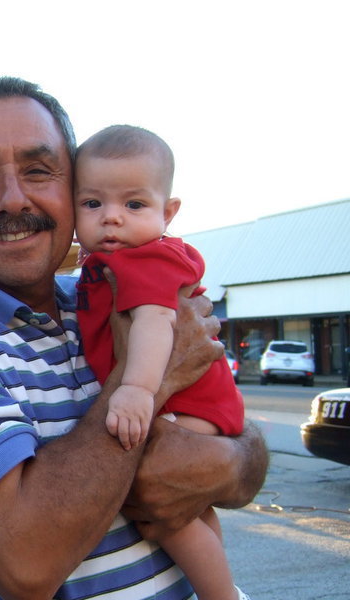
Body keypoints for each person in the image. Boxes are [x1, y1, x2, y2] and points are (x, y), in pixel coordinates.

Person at [0, 76, 268, 599]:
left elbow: (234, 441)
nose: (13, 198)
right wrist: (146, 375)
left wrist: (235, 461)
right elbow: (24, 560)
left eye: (38, 170)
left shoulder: (106, 298)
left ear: (72, 193)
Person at [75, 124, 246, 599]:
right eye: (92, 204)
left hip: (190, 401)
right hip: (197, 400)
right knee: (185, 504)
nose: (112, 219)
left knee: (161, 502)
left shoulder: (148, 259)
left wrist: (136, 390)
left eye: (134, 205)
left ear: (167, 212)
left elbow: (154, 324)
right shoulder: (108, 263)